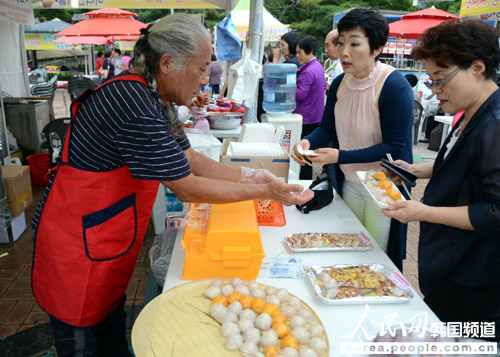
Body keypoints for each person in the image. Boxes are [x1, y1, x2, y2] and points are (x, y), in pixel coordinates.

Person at [30, 13, 313, 356]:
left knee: (111, 334)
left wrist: (260, 176)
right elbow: (187, 186)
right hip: (76, 247)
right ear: (167, 63)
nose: (204, 82)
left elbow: (191, 160)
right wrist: (264, 191)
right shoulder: (131, 103)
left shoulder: (154, 99)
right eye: (200, 69)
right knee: (83, 344)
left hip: (104, 239)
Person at [383, 19, 500, 341]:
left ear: (477, 68)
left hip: (477, 272)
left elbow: (496, 212)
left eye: (441, 79)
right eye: (431, 80)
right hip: (455, 260)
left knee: (460, 341)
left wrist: (422, 212)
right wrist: (417, 169)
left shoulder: (495, 125)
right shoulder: (471, 111)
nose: (435, 90)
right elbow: (468, 165)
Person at [291, 8, 414, 268]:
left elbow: (393, 147)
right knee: (348, 249)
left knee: (376, 259)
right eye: (341, 42)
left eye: (354, 43)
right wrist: (307, 143)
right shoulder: (340, 84)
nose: (344, 52)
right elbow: (327, 129)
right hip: (348, 180)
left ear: (377, 48)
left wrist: (340, 156)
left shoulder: (393, 86)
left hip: (381, 187)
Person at [293, 34, 326, 180]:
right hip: (315, 115)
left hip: (306, 117)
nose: (297, 56)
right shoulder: (318, 66)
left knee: (303, 156)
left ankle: (303, 182)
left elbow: (300, 95)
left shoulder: (308, 71)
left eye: (300, 52)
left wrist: (287, 88)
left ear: (310, 51)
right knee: (308, 155)